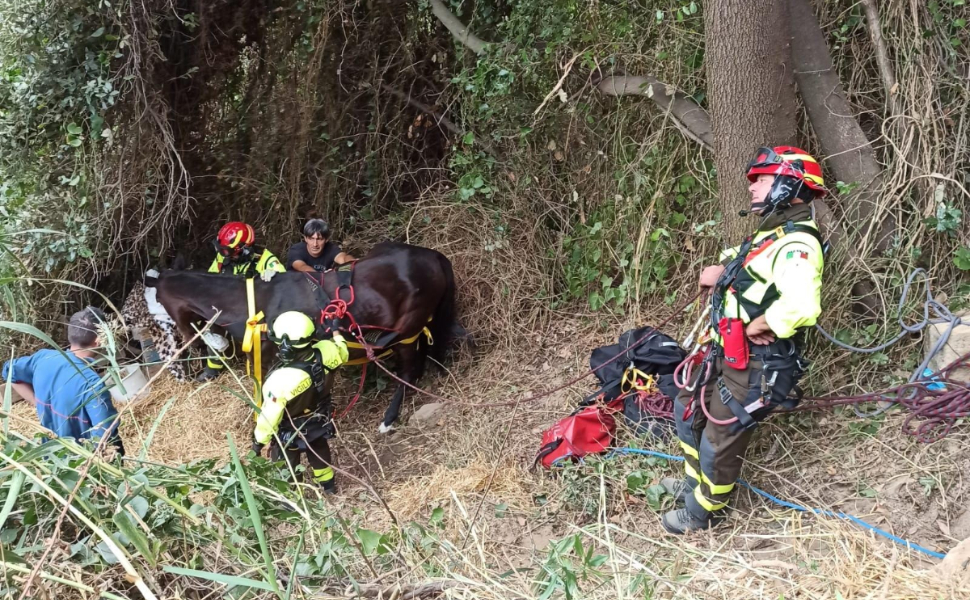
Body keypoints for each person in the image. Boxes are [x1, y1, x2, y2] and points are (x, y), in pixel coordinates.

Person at [661, 146, 826, 534]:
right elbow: (746, 266)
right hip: (725, 350)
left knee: (718, 440)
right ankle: (692, 486)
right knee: (687, 413)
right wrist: (721, 270)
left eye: (763, 181)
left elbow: (802, 305)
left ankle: (704, 513)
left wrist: (761, 323)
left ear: (789, 186)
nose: (753, 188)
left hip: (755, 364)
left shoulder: (797, 245)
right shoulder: (771, 235)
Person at [2, 307, 125, 454]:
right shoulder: (92, 384)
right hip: (81, 464)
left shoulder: (43, 358)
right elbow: (105, 434)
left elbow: (9, 371)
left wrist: (36, 402)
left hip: (52, 456)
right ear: (99, 341)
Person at [252, 311, 349, 493]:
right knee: (319, 449)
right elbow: (343, 352)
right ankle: (328, 486)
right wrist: (336, 332)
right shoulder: (328, 351)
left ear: (285, 345)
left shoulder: (279, 381)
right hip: (319, 419)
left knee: (285, 462)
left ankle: (293, 498)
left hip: (289, 429)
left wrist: (258, 442)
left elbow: (269, 417)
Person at [209, 221, 286, 279]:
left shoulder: (267, 260)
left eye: (226, 251)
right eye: (221, 250)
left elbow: (285, 283)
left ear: (244, 249)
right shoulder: (222, 256)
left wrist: (275, 275)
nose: (222, 254)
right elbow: (210, 281)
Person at [285, 219, 354, 273]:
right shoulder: (296, 250)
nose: (315, 244)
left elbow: (343, 257)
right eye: (311, 239)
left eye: (319, 239)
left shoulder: (330, 248)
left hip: (320, 287)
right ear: (305, 238)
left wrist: (353, 262)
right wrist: (322, 276)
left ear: (326, 239)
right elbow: (301, 267)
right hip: (296, 286)